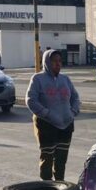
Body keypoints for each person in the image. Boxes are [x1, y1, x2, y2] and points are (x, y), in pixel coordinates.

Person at [26, 49, 81, 181]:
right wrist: (47, 114)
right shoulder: (37, 79)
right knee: (47, 159)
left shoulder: (65, 79)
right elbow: (30, 100)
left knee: (61, 160)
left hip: (66, 126)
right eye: (54, 61)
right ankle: (46, 189)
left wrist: (73, 111)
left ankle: (60, 188)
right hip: (47, 126)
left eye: (59, 61)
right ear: (47, 62)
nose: (58, 64)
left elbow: (75, 98)